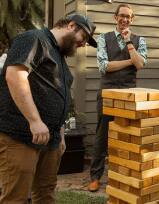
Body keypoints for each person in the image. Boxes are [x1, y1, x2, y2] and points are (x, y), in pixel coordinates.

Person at [0, 14, 97, 203]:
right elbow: (15, 76)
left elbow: (59, 97)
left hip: (50, 140)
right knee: (15, 197)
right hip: (21, 135)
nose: (83, 44)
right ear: (71, 25)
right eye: (83, 38)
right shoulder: (34, 39)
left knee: (45, 193)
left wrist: (60, 135)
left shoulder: (58, 56)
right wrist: (34, 121)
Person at [88, 3, 147, 192]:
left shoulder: (139, 40)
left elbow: (140, 65)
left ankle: (122, 175)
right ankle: (95, 176)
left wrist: (129, 43)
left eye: (128, 17)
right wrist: (132, 60)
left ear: (132, 19)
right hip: (107, 91)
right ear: (115, 17)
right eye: (121, 16)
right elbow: (104, 67)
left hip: (130, 93)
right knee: (102, 134)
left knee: (127, 134)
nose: (124, 19)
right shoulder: (103, 38)